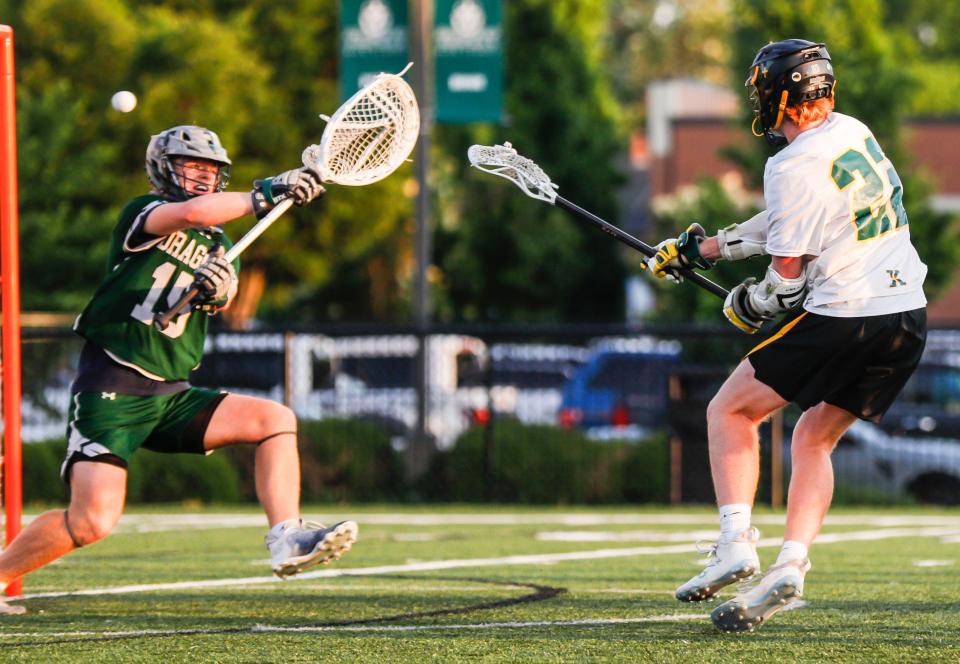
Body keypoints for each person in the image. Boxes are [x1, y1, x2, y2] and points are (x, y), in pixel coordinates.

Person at [0, 125, 358, 615]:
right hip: (113, 387)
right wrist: (270, 189)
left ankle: (286, 537)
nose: (204, 176)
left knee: (274, 420)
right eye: (193, 165)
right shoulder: (143, 214)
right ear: (163, 168)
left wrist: (217, 291)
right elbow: (190, 212)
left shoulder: (217, 237)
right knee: (92, 522)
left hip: (171, 394)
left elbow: (225, 293)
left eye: (211, 168)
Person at [648, 40, 927, 632]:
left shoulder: (789, 164)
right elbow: (785, 225)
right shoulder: (851, 131)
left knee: (730, 412)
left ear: (782, 95)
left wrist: (748, 303)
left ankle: (734, 543)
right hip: (906, 315)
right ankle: (792, 564)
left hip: (847, 311)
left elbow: (786, 277)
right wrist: (703, 250)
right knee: (813, 437)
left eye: (762, 88)